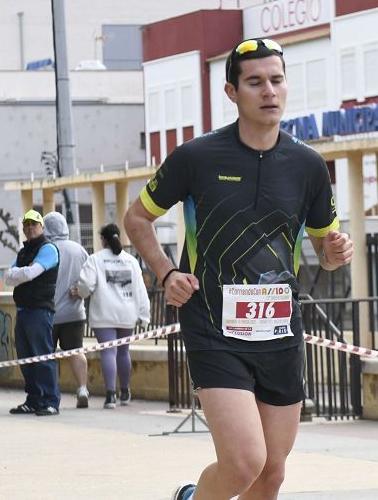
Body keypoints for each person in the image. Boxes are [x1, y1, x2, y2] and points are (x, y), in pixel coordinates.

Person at [124, 37, 354, 500]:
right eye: (255, 82)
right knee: (245, 461)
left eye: (276, 80)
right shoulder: (197, 157)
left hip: (279, 330)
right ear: (232, 92)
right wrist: (167, 273)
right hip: (212, 322)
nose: (268, 91)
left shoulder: (309, 166)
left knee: (271, 472)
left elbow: (324, 253)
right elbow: (137, 218)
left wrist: (336, 251)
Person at [76, 223, 151, 409]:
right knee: (124, 352)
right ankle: (125, 392)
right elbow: (141, 290)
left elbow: (85, 285)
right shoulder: (132, 261)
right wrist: (144, 314)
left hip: (104, 312)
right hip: (127, 312)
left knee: (108, 352)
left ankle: (110, 396)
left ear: (103, 240)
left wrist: (81, 293)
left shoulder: (95, 259)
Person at [4, 209, 61, 416]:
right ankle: (34, 399)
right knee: (26, 358)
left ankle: (50, 401)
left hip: (40, 311)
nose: (30, 227)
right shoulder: (23, 252)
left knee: (42, 356)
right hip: (23, 310)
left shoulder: (48, 249)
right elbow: (7, 277)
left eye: (34, 224)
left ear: (42, 227)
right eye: (26, 224)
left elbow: (30, 273)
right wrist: (21, 272)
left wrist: (20, 273)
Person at [42, 211, 91, 408]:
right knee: (76, 351)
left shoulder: (46, 249)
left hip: (48, 313)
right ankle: (82, 388)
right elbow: (89, 278)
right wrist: (80, 291)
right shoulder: (78, 250)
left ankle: (51, 393)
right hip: (74, 312)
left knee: (48, 355)